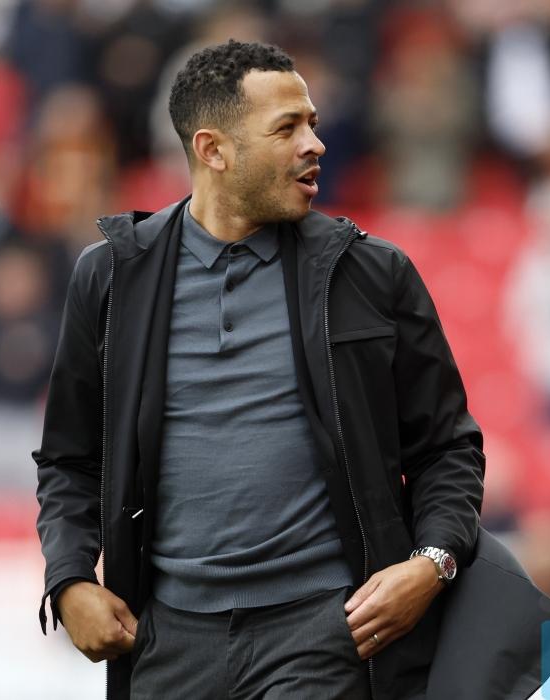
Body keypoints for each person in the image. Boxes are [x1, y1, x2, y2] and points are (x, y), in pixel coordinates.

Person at [33, 40, 485, 699]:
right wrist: (70, 579)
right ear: (213, 150)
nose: (314, 145)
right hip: (166, 641)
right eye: (287, 128)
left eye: (312, 124)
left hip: (328, 632)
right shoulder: (110, 278)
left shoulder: (372, 274)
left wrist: (432, 563)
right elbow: (69, 460)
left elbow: (447, 448)